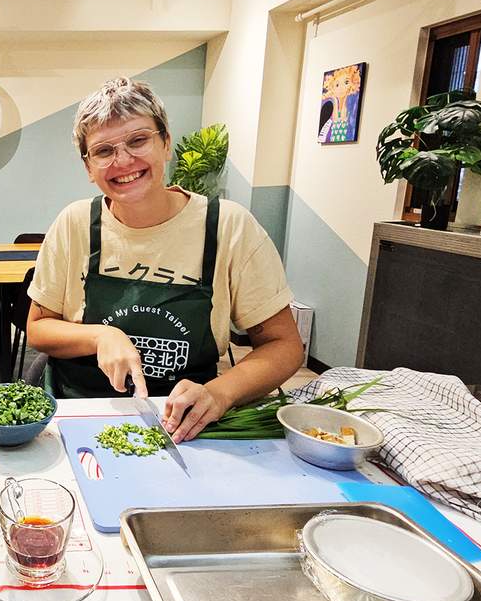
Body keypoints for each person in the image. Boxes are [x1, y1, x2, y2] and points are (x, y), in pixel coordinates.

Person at [26, 77, 303, 443]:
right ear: (88, 167)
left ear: (166, 143)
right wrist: (101, 335)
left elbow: (284, 345)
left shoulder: (228, 226)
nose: (123, 160)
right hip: (81, 413)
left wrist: (221, 393)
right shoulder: (75, 223)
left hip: (187, 422)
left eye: (138, 140)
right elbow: (39, 328)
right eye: (104, 150)